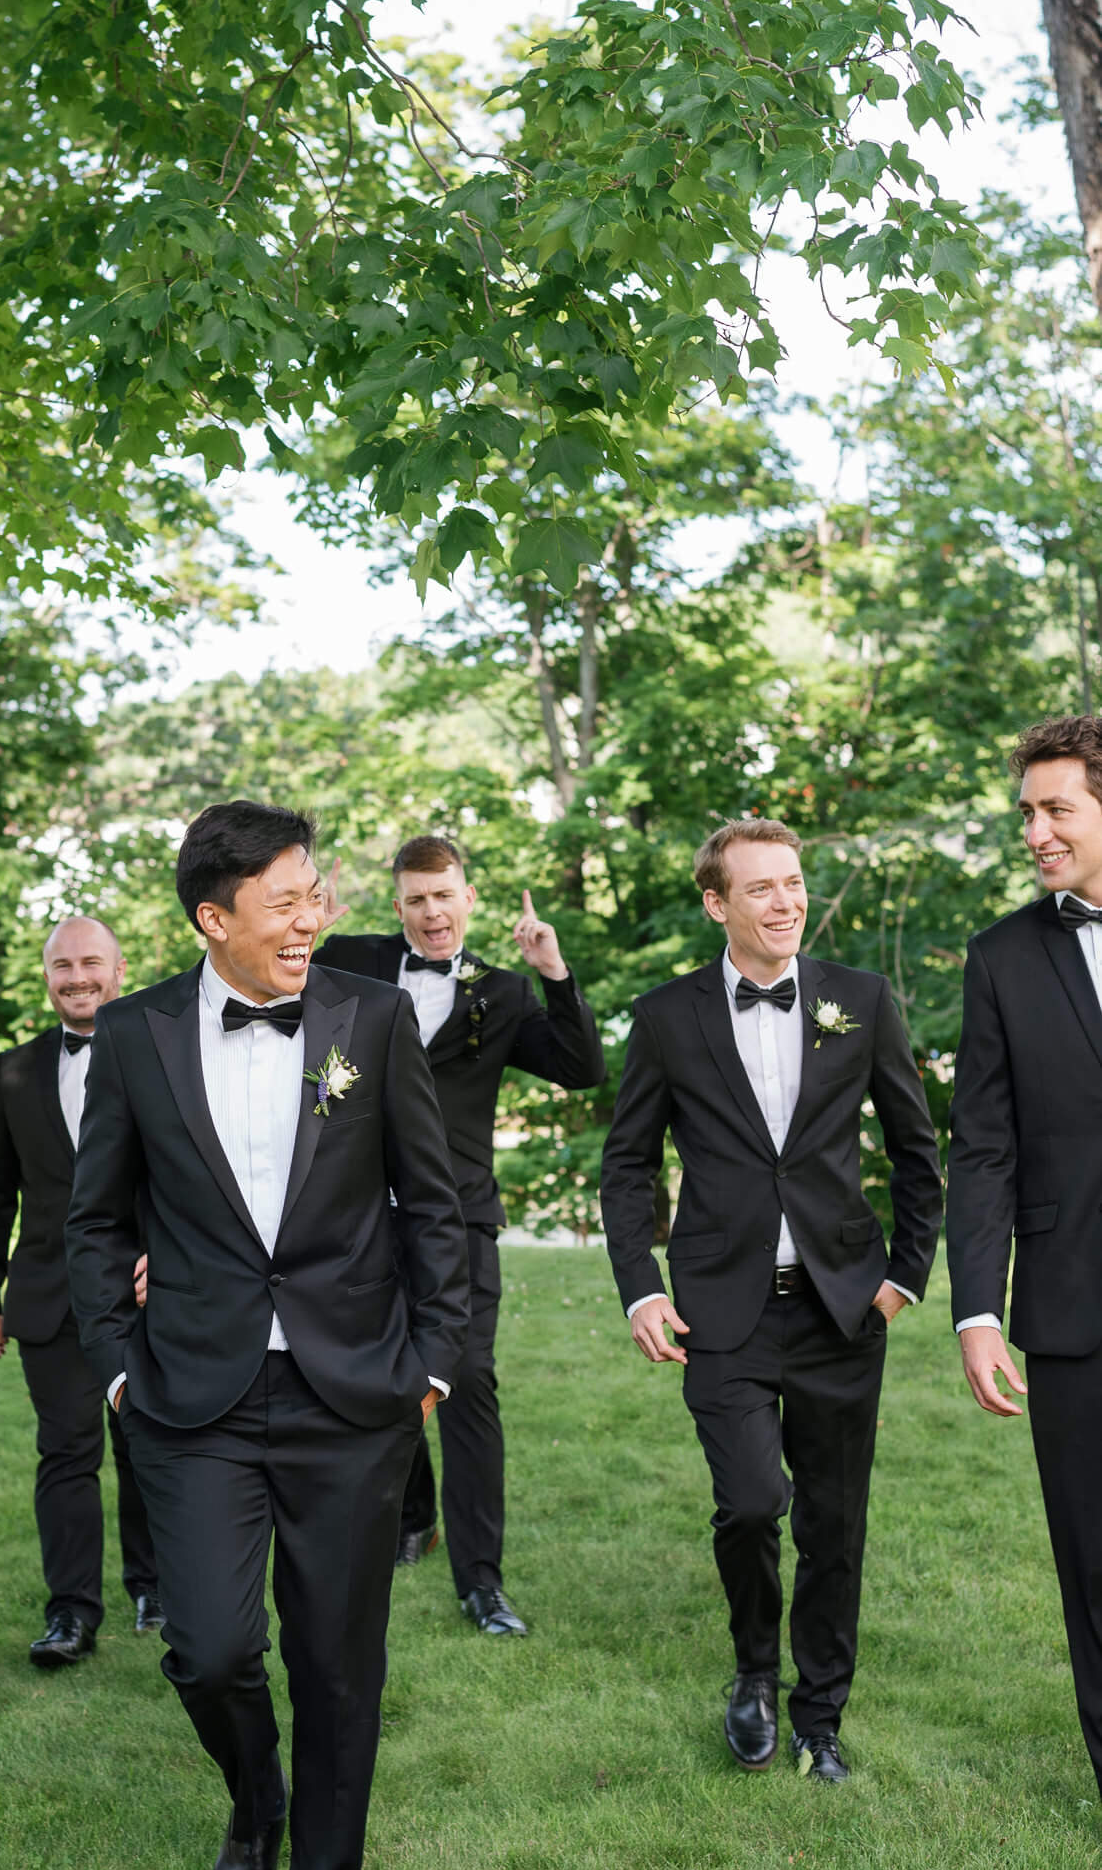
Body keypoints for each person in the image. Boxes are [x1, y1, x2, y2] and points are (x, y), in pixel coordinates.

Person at [66, 801, 468, 1870]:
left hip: (355, 1391)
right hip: (191, 1394)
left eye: (316, 894)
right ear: (214, 917)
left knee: (341, 1669)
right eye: (288, 900)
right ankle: (254, 1804)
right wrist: (120, 1366)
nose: (315, 918)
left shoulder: (371, 1017)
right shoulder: (135, 1036)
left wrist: (433, 1357)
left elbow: (430, 1201)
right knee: (208, 1647)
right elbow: (93, 1221)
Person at [599, 819, 941, 1782]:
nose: (786, 901)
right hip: (722, 1309)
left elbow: (920, 1152)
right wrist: (641, 1289)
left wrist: (902, 1276)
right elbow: (626, 1168)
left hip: (842, 1309)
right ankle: (753, 1670)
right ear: (718, 904)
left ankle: (819, 1715)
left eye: (794, 884)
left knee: (834, 1521)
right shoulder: (668, 1018)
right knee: (751, 1505)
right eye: (762, 889)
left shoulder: (861, 1001)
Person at [314, 836, 604, 1637]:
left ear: (468, 898)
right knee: (378, 1376)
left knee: (469, 1380)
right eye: (415, 899)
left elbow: (581, 1068)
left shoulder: (504, 991)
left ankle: (482, 1584)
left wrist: (553, 971)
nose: (431, 913)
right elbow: (276, 1003)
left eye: (443, 896)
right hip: (363, 1216)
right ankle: (411, 1514)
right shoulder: (350, 961)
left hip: (464, 1217)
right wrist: (306, 930)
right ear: (398, 905)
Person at [948, 714, 1102, 1803]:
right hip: (1069, 1306)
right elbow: (984, 1148)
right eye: (1028, 815)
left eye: (1058, 810)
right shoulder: (1002, 957)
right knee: (1092, 1565)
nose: (1037, 832)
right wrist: (977, 1311)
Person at [0, 915, 160, 1668]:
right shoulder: (15, 1069)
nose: (77, 977)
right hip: (49, 1294)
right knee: (66, 1453)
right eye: (61, 966)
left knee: (148, 1443)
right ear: (46, 976)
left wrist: (174, 1259)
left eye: (91, 963)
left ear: (118, 968)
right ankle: (72, 1614)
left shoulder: (161, 1047)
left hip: (148, 1291)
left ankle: (157, 1586)